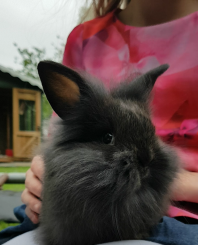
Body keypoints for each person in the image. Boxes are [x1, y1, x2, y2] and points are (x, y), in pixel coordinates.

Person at [21, 0, 198, 227]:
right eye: (107, 139)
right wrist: (41, 179)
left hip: (181, 220)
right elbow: (63, 141)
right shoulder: (85, 38)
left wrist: (171, 181)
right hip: (78, 217)